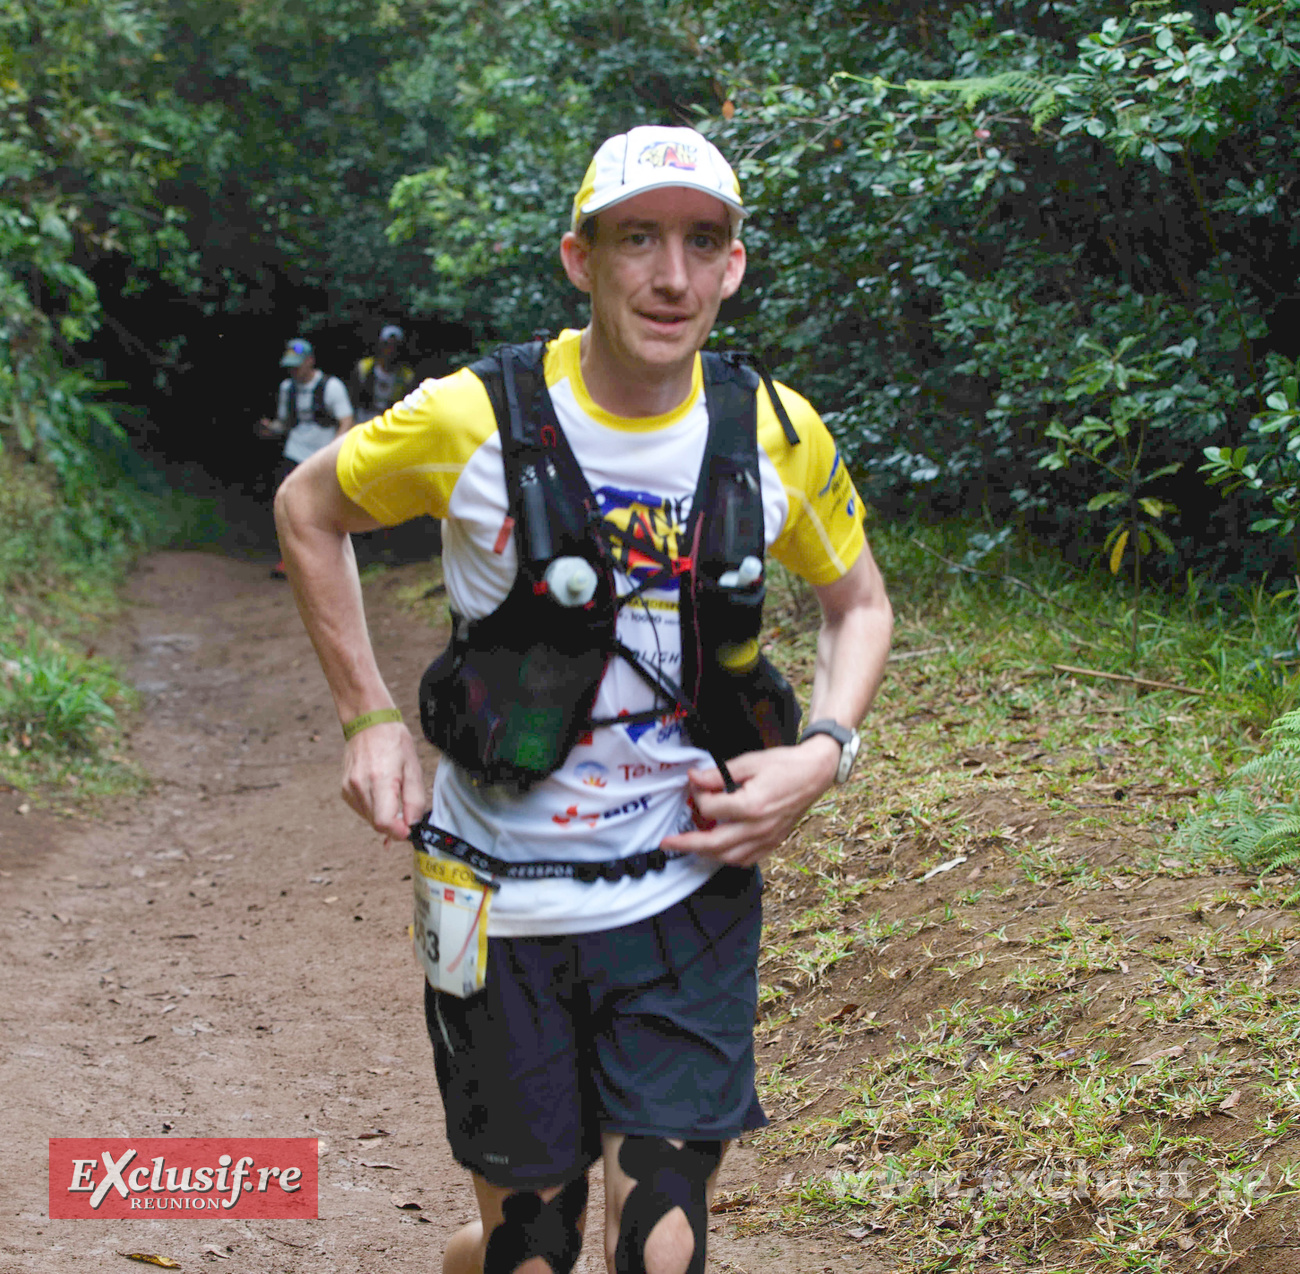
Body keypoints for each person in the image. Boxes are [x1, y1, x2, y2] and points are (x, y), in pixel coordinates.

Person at [274, 124, 893, 1274]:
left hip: (687, 888)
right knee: (534, 1251)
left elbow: (859, 604)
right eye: (637, 240)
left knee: (660, 1246)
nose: (670, 275)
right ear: (580, 258)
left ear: (733, 266)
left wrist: (824, 751)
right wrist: (367, 719)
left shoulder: (775, 431)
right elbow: (309, 508)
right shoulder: (472, 416)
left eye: (701, 241)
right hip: (492, 897)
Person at [258, 337, 354, 578]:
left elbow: (346, 420)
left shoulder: (331, 386)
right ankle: (290, 559)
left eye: (298, 364)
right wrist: (271, 428)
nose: (294, 370)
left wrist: (334, 451)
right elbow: (286, 422)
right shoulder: (286, 388)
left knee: (324, 507)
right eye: (290, 365)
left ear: (310, 361)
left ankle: (328, 559)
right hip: (295, 452)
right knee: (289, 506)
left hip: (322, 454)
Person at [350, 324, 417, 425]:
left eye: (395, 346)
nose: (390, 350)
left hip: (390, 421)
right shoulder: (364, 367)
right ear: (380, 345)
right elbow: (354, 397)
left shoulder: (407, 376)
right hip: (363, 418)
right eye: (387, 345)